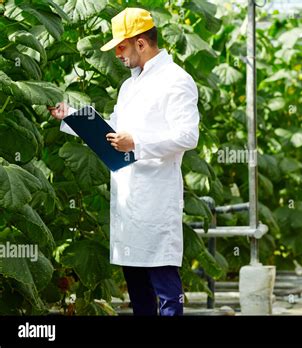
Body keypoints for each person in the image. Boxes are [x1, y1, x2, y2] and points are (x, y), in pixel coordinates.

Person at [49, 7, 200, 316]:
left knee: (165, 289)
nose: (117, 53)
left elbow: (188, 136)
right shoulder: (129, 85)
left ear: (141, 43)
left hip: (155, 199)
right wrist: (72, 118)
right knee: (138, 290)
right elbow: (112, 131)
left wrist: (138, 143)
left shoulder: (175, 80)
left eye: (121, 46)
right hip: (128, 200)